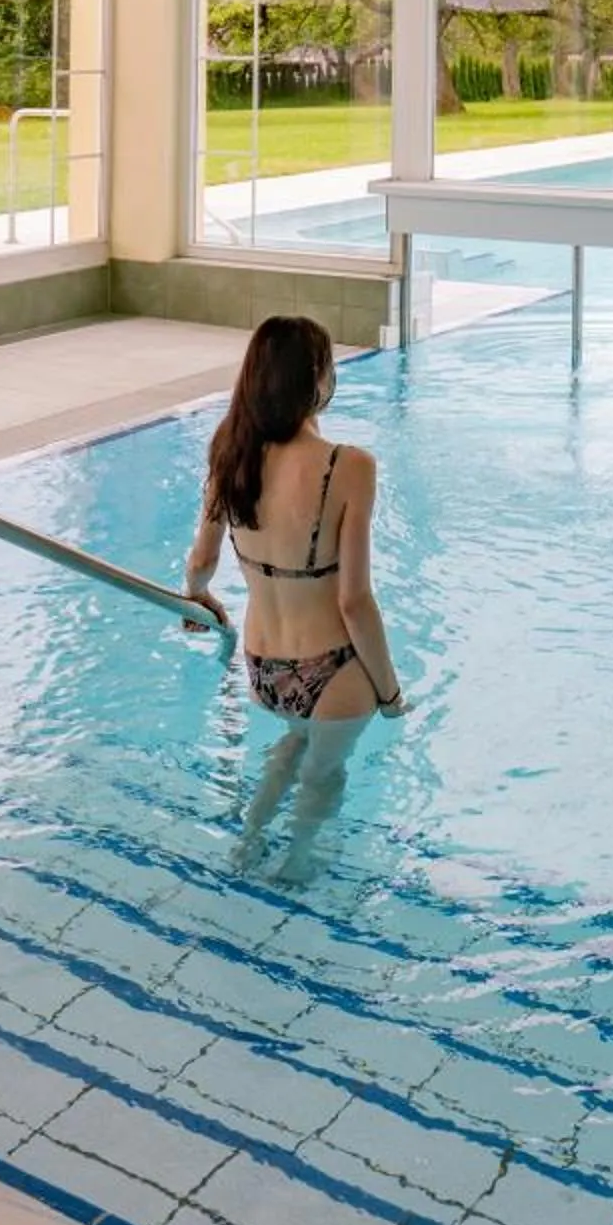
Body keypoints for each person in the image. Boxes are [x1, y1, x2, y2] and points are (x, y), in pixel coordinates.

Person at [182, 316, 407, 876]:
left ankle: (250, 838)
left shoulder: (230, 454)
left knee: (296, 743)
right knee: (324, 774)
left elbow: (202, 561)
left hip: (263, 669)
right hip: (332, 669)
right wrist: (389, 693)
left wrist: (198, 598)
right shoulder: (350, 466)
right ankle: (296, 864)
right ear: (317, 379)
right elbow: (354, 601)